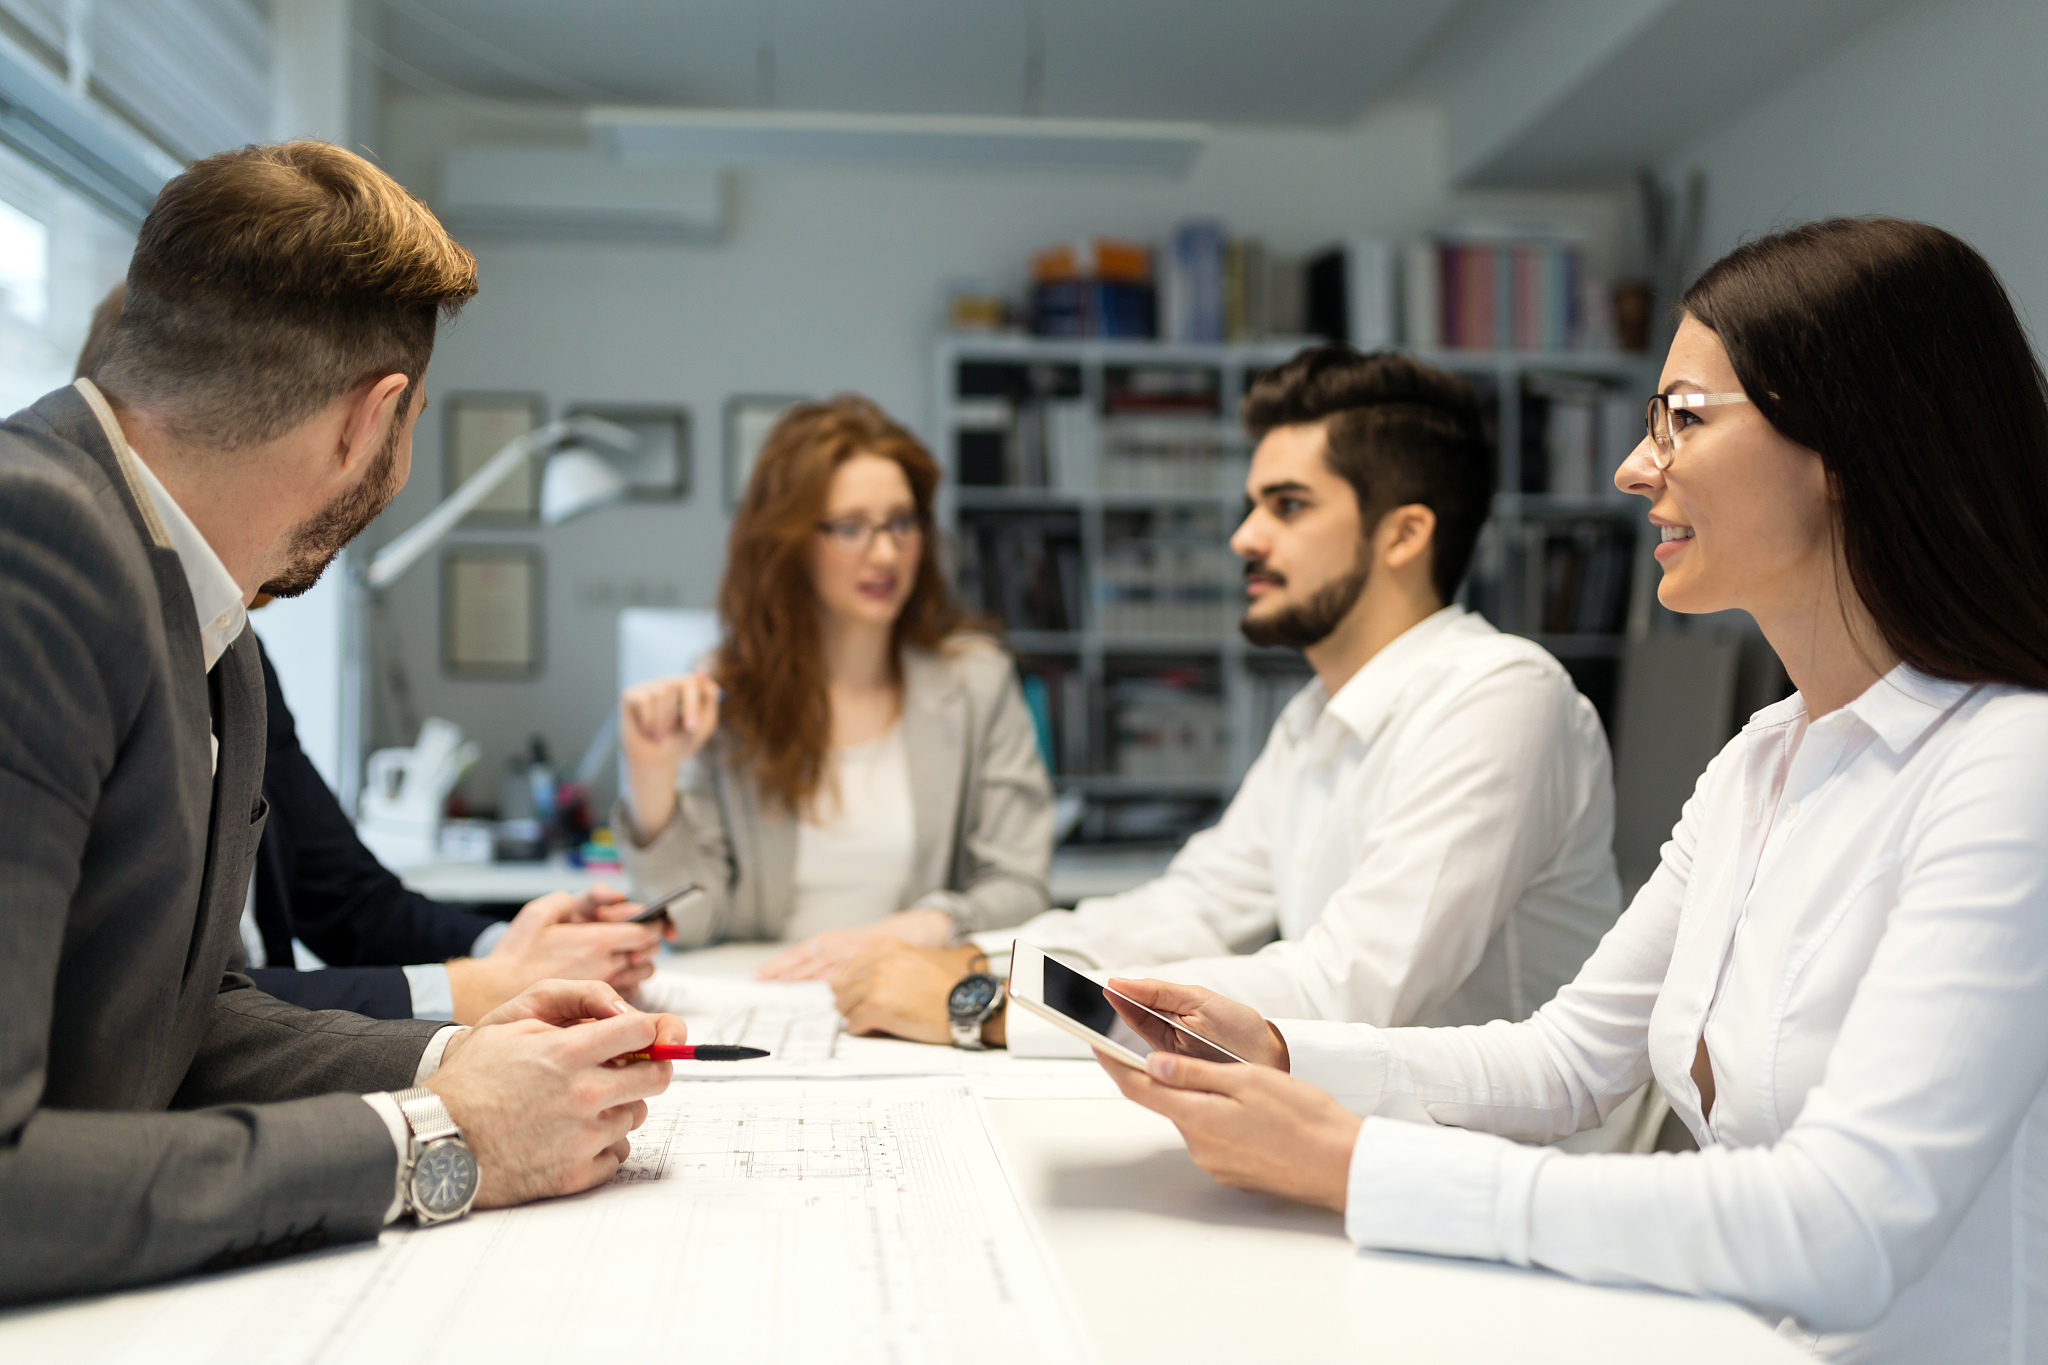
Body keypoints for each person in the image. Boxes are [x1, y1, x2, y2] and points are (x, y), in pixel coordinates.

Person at [1099, 218, 2048, 1363]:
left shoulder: (2008, 768)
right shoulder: (1762, 757)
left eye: (1681, 419)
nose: (1632, 466)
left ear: (1846, 445)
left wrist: (1363, 1167)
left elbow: (1842, 1226)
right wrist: (1284, 1052)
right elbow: (1561, 1062)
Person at [0, 140, 685, 1303]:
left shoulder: (200, 607)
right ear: (371, 422)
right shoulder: (37, 550)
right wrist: (430, 1144)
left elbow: (190, 1017)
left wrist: (466, 1060)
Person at [829, 347, 1621, 1055]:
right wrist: (983, 956)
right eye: (1253, 505)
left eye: (1287, 505)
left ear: (1403, 535)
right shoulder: (1317, 713)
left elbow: (1344, 992)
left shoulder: (1500, 696)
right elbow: (1196, 908)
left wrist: (990, 1004)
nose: (1244, 536)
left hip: (1492, 1181)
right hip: (1365, 1148)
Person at [72, 285, 662, 1025]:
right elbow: (162, 1012)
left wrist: (510, 947)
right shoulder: (81, 634)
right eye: (409, 425)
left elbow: (343, 896)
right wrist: (480, 988)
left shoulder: (235, 654)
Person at [614, 395, 1054, 978]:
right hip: (765, 994)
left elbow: (1021, 888)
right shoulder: (728, 691)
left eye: (902, 522)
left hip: (911, 996)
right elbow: (691, 918)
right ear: (790, 542)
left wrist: (920, 928)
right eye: (851, 528)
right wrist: (652, 777)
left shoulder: (976, 683)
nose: (886, 553)